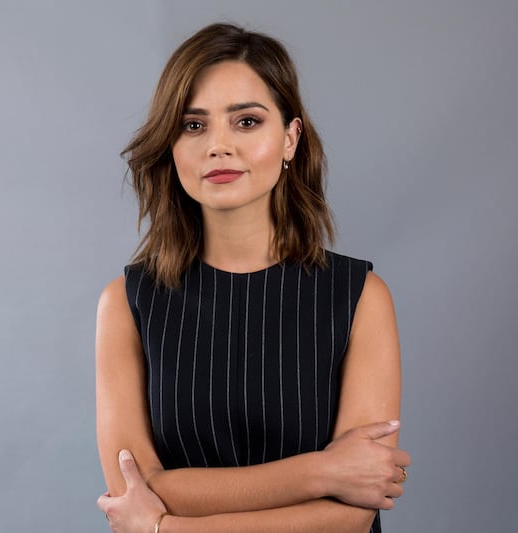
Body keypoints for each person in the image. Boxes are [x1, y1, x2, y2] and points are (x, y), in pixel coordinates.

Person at [95, 23, 410, 533]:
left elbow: (353, 512)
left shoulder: (359, 297)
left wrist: (170, 528)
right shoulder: (128, 303)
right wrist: (322, 470)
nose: (218, 146)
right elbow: (139, 487)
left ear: (290, 138)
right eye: (193, 126)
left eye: (246, 121)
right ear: (170, 146)